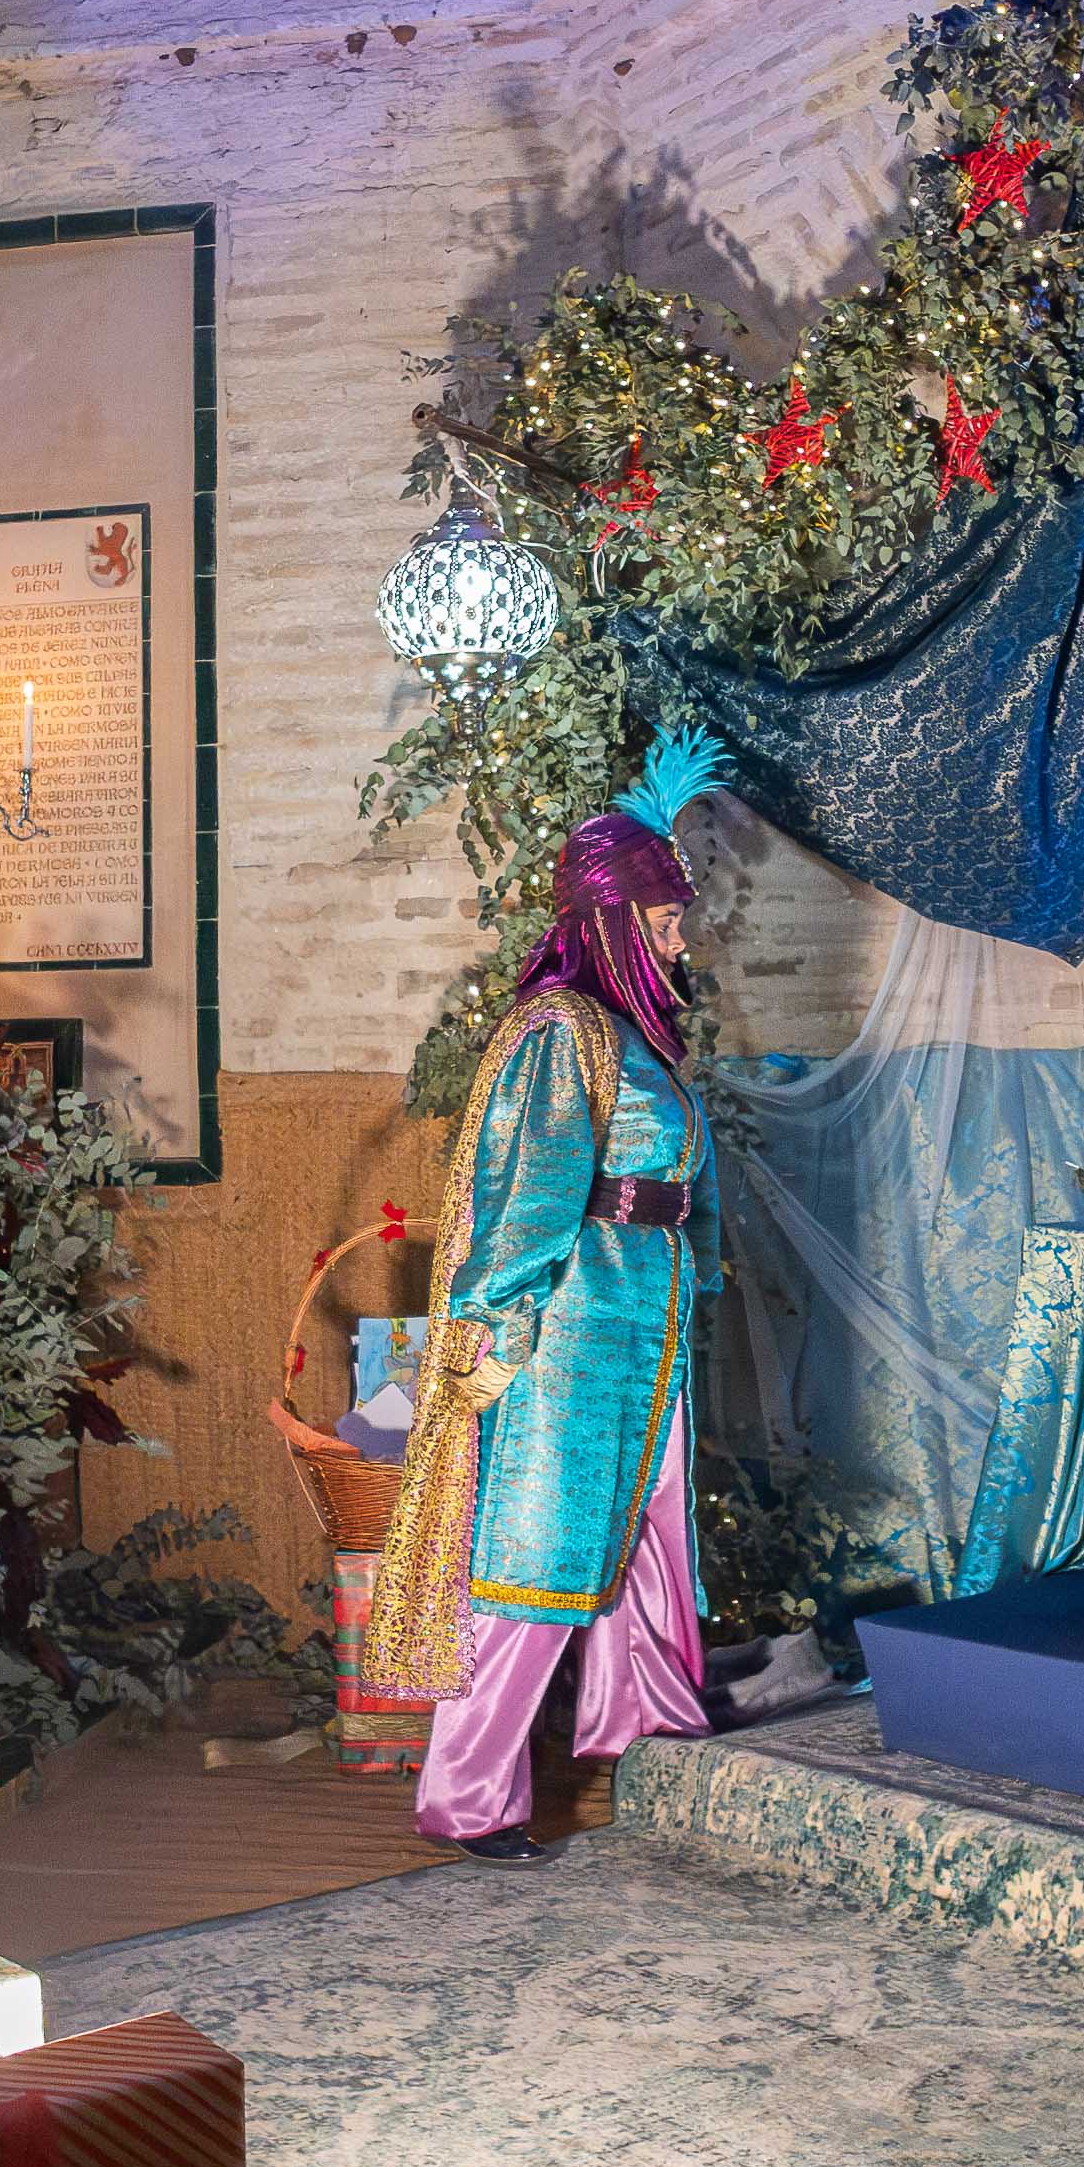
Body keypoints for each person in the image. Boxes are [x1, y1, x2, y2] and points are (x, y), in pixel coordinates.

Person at [351, 731, 728, 1863]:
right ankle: (469, 1795)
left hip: (647, 1323)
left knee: (648, 1534)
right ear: (614, 923)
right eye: (665, 920)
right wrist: (494, 1325)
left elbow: (679, 1183)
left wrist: (697, 1273)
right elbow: (529, 1195)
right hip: (570, 1331)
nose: (681, 939)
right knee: (537, 1558)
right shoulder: (560, 1030)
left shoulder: (639, 1040)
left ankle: (653, 1731)